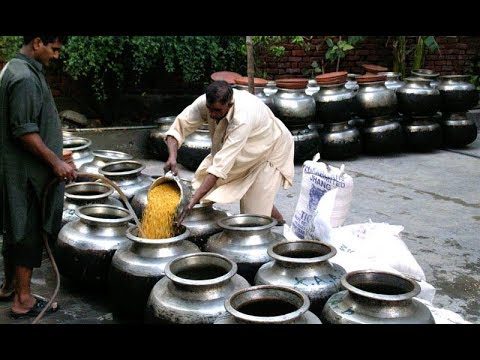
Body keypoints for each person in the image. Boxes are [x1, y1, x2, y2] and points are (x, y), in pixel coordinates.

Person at [0, 35, 77, 319]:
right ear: (37, 42)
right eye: (53, 49)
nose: (56, 55)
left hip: (18, 168)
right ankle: (23, 299)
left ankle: (9, 286)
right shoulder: (24, 78)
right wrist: (55, 161)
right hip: (26, 174)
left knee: (14, 228)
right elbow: (24, 131)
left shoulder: (15, 68)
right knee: (27, 233)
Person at [164, 80, 294, 225]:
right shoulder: (205, 103)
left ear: (230, 104)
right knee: (200, 186)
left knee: (253, 218)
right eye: (210, 109)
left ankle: (280, 224)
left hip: (270, 150)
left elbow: (219, 168)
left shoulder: (242, 118)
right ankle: (274, 215)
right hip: (243, 151)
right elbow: (178, 127)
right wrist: (172, 156)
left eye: (217, 111)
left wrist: (192, 203)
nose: (212, 114)